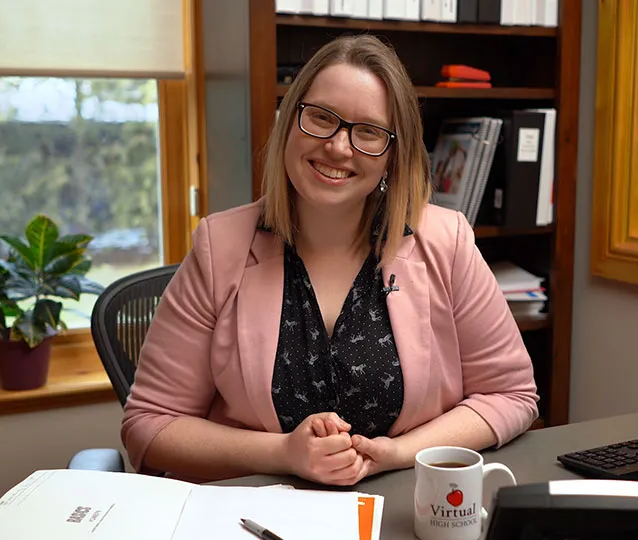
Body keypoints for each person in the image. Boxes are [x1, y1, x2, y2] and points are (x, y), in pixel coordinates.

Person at [120, 34, 539, 487]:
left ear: (392, 156)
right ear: (290, 122)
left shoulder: (447, 241)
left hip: (403, 509)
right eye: (321, 118)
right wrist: (284, 453)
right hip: (256, 514)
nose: (339, 148)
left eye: (369, 132)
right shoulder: (219, 246)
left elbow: (511, 394)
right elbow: (150, 424)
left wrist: (399, 452)